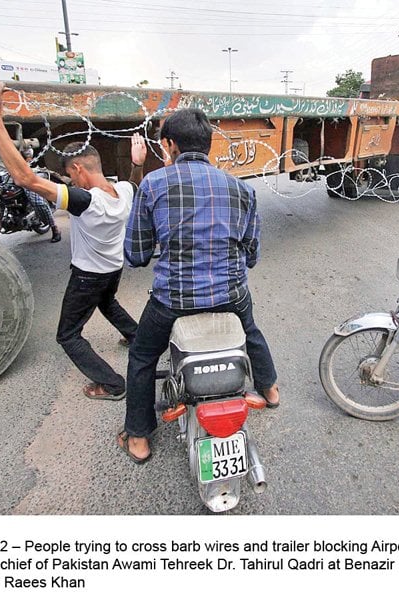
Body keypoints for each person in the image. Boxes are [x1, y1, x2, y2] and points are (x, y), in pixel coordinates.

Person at [118, 108, 279, 463]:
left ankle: (139, 436)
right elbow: (252, 254)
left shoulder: (153, 184)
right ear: (209, 144)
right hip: (230, 295)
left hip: (172, 300)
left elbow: (136, 254)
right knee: (249, 329)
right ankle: (269, 388)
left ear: (169, 145)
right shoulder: (242, 189)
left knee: (143, 357)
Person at [0, 79, 146, 401]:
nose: (69, 180)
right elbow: (135, 182)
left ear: (78, 168)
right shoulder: (122, 191)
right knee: (107, 302)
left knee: (68, 335)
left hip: (89, 275)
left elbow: (25, 178)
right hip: (113, 268)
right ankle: (136, 337)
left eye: (70, 175)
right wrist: (137, 163)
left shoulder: (85, 201)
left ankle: (111, 384)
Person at [20, 147, 62, 243]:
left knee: (38, 202)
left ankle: (55, 229)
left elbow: (29, 155)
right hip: (13, 177)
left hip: (33, 174)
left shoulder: (25, 146)